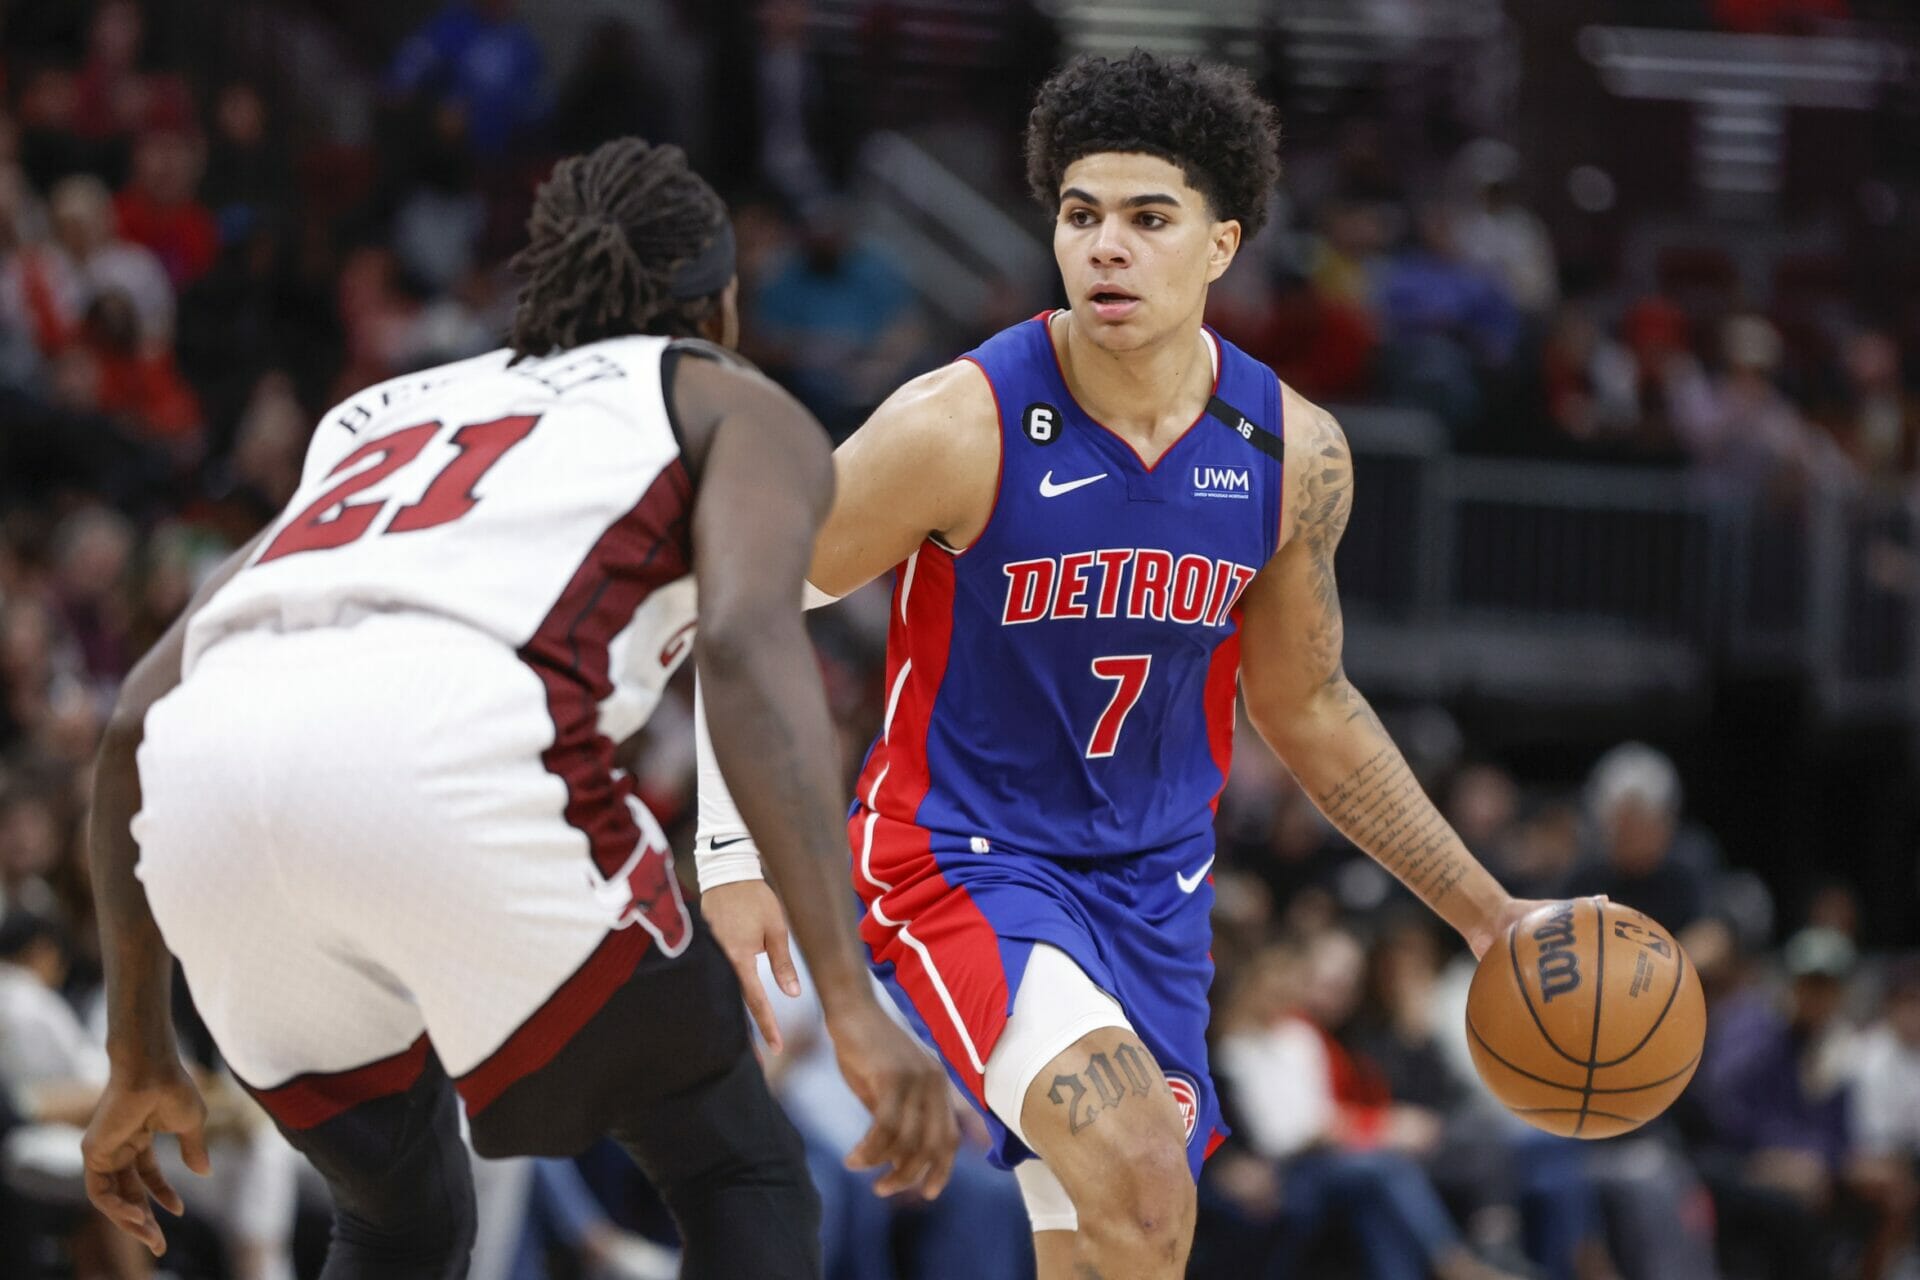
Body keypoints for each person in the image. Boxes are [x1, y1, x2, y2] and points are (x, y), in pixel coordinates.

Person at [693, 51, 1559, 1280]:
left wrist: (1490, 914)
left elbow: (1308, 707)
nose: (1107, 246)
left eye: (1149, 219)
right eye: (1080, 215)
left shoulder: (1289, 451)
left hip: (1154, 887)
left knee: (1137, 1237)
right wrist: (732, 850)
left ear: (1222, 243)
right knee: (1140, 1161)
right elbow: (743, 596)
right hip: (965, 855)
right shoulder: (962, 422)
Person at [78, 136, 957, 1279]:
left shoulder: (381, 412)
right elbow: (746, 642)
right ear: (722, 307)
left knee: (401, 1221)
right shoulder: (725, 397)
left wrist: (140, 1051)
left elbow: (135, 724)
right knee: (737, 1166)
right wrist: (849, 998)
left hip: (204, 809)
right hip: (453, 758)